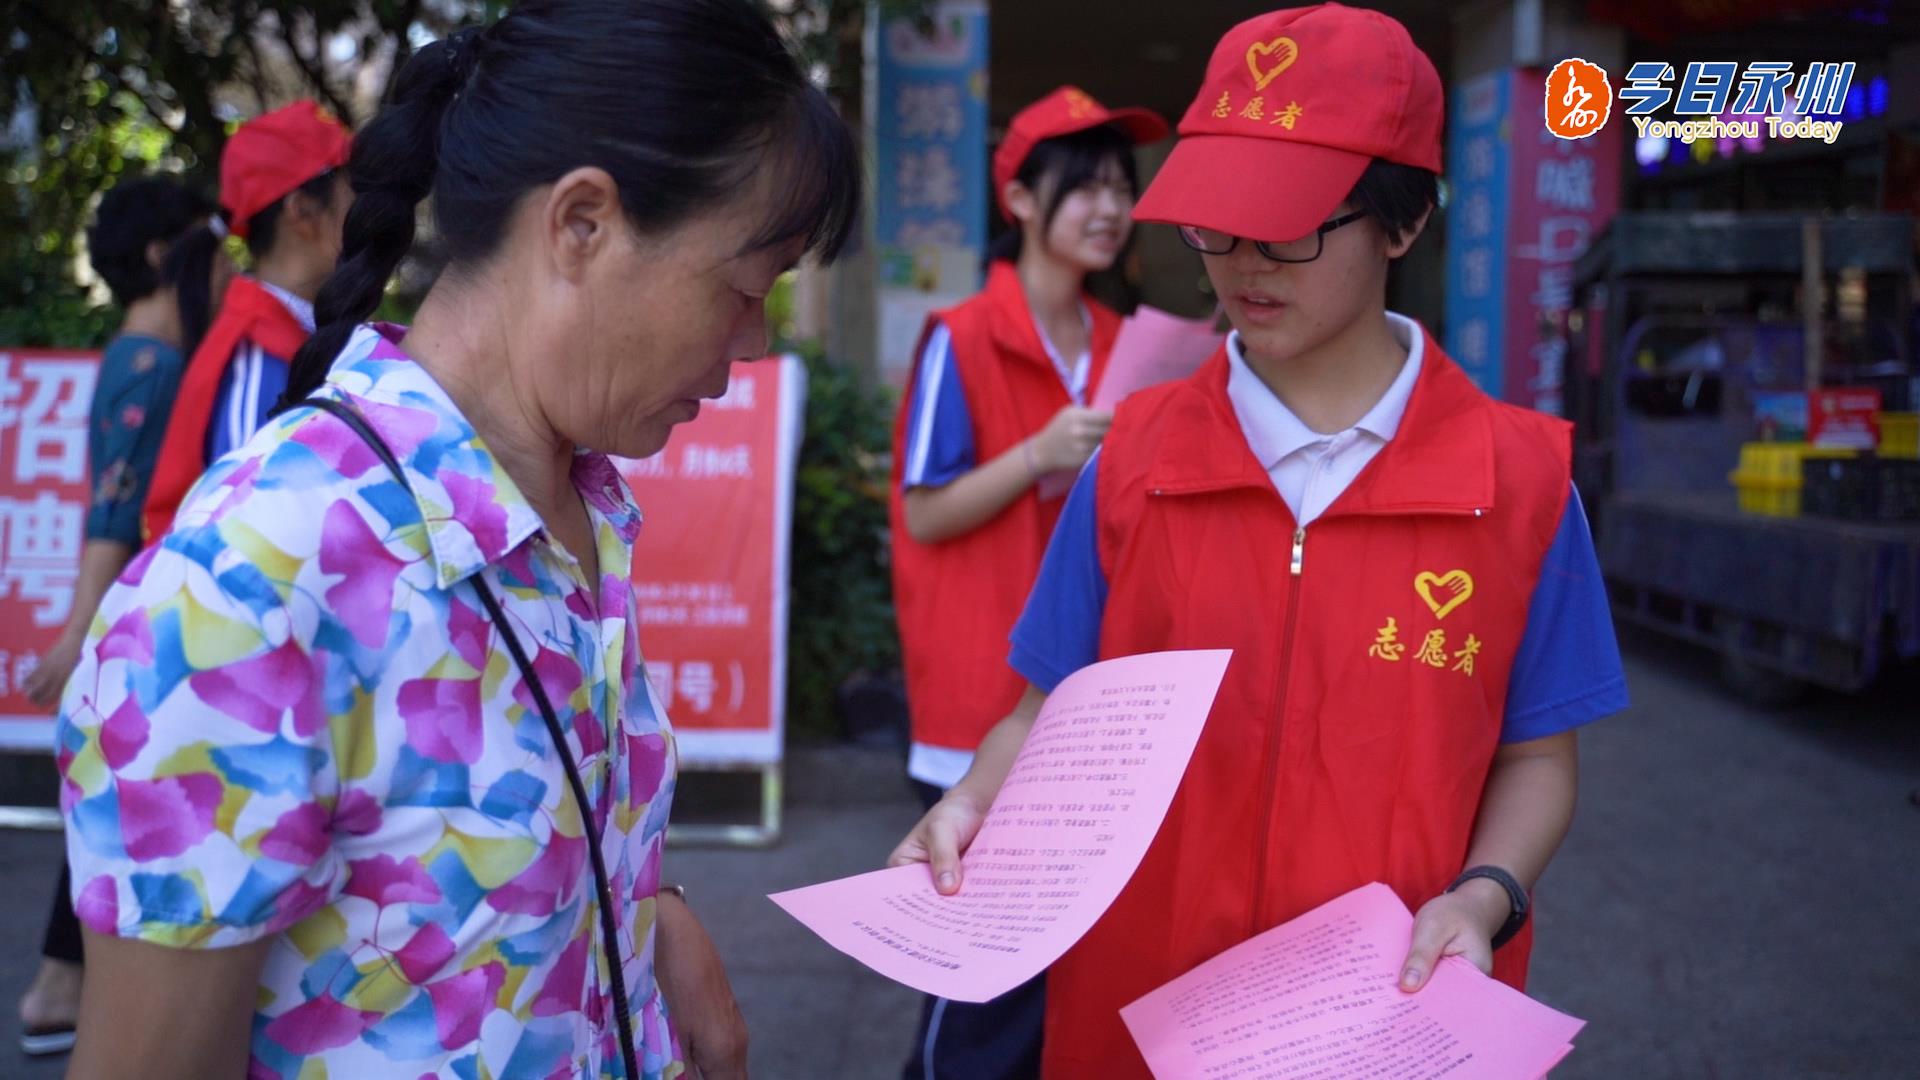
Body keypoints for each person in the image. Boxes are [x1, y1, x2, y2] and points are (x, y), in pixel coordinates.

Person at [55, 1, 859, 1077]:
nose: (753, 343)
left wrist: (651, 911)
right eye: (743, 289)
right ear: (582, 224)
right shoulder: (248, 588)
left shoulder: (580, 505)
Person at [889, 5, 1630, 1077]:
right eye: (1214, 223)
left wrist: (1486, 895)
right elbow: (1041, 716)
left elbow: (1537, 757)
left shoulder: (1518, 484)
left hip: (1387, 1018)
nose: (1242, 266)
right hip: (1136, 1009)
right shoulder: (1132, 459)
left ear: (1403, 221)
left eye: (1288, 227)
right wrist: (968, 803)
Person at [886, 85, 1165, 1080]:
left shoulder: (1133, 341)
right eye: (1082, 188)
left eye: (1121, 189)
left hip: (1090, 698)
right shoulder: (961, 336)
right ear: (1019, 202)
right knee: (980, 979)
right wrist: (1040, 454)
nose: (1108, 209)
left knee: (1060, 962)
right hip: (978, 695)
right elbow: (922, 512)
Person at [15, 175, 228, 1057]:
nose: (223, 263)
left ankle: (67, 987)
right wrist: (76, 632)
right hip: (138, 609)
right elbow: (115, 506)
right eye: (212, 238)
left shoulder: (141, 356)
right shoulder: (154, 362)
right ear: (160, 254)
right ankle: (60, 987)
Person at [140, 97, 353, 539]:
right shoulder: (259, 361)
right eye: (355, 185)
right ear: (302, 211)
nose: (368, 204)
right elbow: (245, 544)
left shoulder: (290, 335)